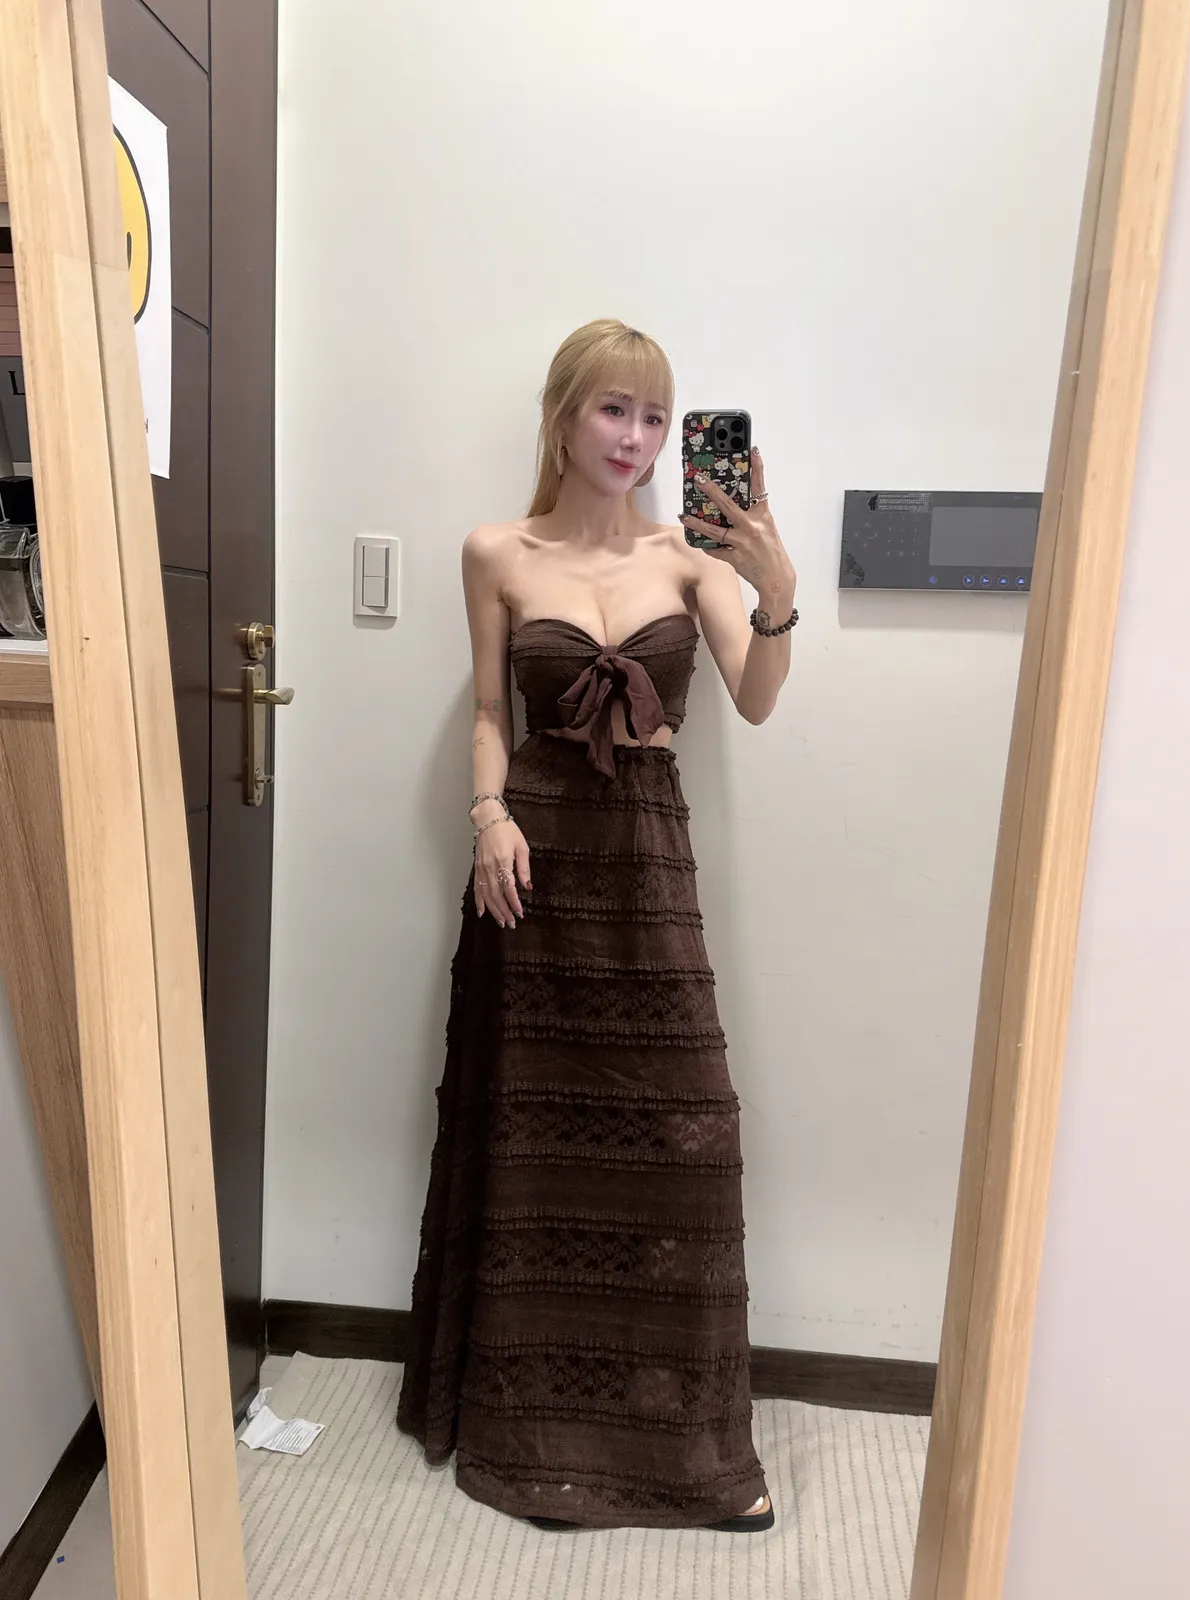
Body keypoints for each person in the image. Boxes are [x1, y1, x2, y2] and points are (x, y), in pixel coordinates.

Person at [396, 318, 797, 1532]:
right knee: (540, 1145)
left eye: (655, 416)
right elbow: (489, 713)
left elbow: (756, 700)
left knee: (691, 1139)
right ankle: (540, 1436)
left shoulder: (691, 561)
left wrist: (776, 592)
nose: (635, 437)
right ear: (562, 415)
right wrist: (487, 815)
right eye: (614, 409)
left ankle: (689, 1447)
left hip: (648, 864)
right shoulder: (496, 551)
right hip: (535, 868)